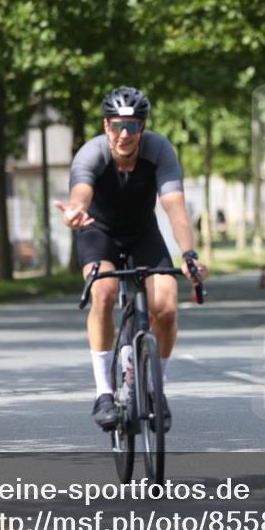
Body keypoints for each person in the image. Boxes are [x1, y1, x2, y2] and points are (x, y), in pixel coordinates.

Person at [54, 86, 207, 431]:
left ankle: (155, 388)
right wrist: (75, 211)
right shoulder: (91, 153)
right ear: (106, 126)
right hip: (97, 231)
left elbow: (175, 208)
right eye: (117, 125)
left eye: (133, 126)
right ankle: (104, 393)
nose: (124, 134)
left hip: (142, 233)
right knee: (104, 292)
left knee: (166, 305)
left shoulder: (159, 150)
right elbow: (81, 193)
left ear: (143, 127)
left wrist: (188, 254)